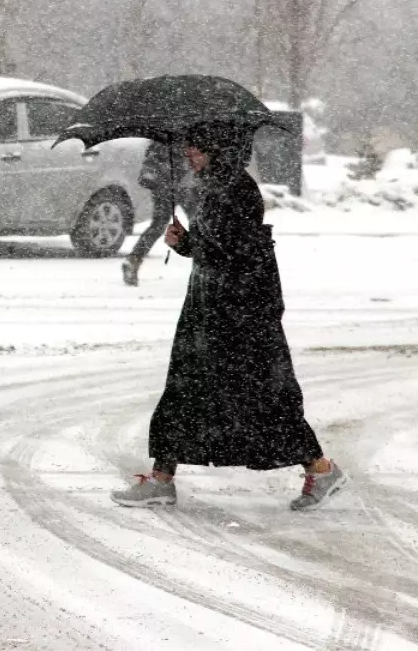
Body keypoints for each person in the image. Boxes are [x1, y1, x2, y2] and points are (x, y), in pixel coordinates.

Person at [111, 121, 347, 511]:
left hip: (237, 318)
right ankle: (161, 479)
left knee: (261, 400)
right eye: (189, 147)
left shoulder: (234, 190)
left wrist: (192, 242)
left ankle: (320, 468)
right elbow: (219, 249)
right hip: (212, 310)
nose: (190, 153)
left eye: (198, 148)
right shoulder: (216, 187)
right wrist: (187, 243)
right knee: (187, 394)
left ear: (219, 150)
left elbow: (235, 252)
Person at [122, 141, 196, 286]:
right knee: (194, 222)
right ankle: (134, 260)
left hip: (175, 185)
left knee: (162, 224)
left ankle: (134, 259)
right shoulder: (173, 133)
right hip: (173, 185)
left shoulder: (166, 135)